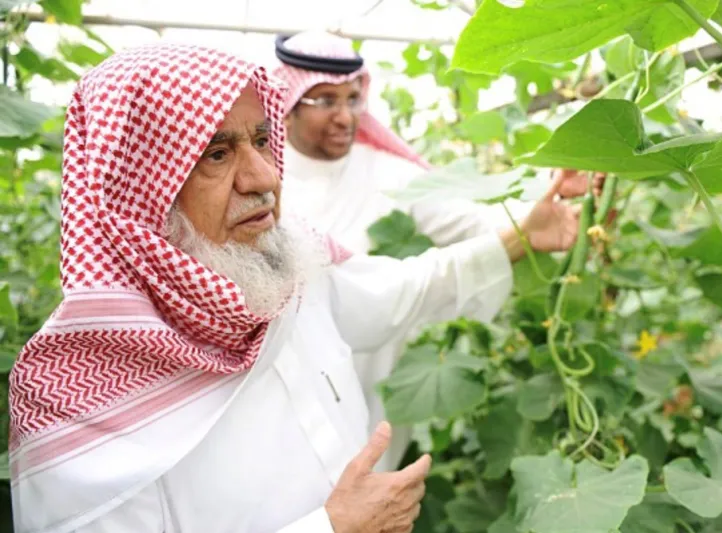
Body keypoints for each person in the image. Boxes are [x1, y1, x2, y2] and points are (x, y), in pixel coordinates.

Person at [9, 43, 587, 533]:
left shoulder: (283, 268)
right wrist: (333, 527)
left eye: (262, 141)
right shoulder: (74, 401)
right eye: (216, 154)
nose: (264, 177)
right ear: (136, 189)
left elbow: (401, 290)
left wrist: (522, 236)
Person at [273, 31, 602, 471]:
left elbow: (475, 221)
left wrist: (556, 204)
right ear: (288, 103)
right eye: (326, 101)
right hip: (281, 387)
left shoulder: (391, 174)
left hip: (373, 376)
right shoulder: (263, 178)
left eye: (353, 99)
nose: (345, 116)